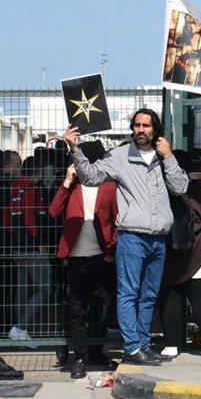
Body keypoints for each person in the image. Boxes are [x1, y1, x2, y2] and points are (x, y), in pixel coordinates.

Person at [65, 108, 189, 366]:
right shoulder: (120, 156)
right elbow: (90, 176)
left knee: (149, 295)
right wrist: (75, 150)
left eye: (146, 125)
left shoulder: (162, 156)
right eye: (137, 125)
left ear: (155, 129)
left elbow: (180, 187)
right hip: (132, 237)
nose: (141, 130)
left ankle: (144, 344)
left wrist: (169, 157)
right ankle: (133, 346)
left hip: (159, 238)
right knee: (129, 293)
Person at [50, 142, 119, 378]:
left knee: (101, 307)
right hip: (76, 257)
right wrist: (67, 181)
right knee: (77, 309)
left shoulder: (109, 185)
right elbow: (53, 211)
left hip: (102, 255)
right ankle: (79, 356)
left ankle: (96, 351)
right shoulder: (73, 186)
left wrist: (112, 249)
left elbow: (118, 218)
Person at [159, 150, 201, 360]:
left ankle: (171, 345)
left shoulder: (156, 188)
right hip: (197, 251)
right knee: (200, 297)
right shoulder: (192, 188)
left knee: (171, 296)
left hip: (168, 253)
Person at [6, 156, 51, 340]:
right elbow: (30, 217)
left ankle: (20, 329)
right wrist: (38, 239)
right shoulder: (31, 189)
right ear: (39, 172)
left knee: (22, 290)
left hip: (18, 246)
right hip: (31, 247)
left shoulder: (16, 188)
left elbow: (7, 218)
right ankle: (20, 327)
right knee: (47, 288)